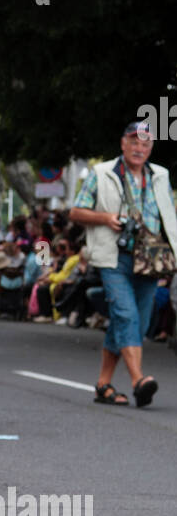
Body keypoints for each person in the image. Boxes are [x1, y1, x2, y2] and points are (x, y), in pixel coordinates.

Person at [69, 122, 177, 406]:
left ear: (150, 148)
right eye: (134, 142)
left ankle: (103, 384)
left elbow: (170, 215)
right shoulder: (101, 173)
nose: (139, 148)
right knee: (126, 314)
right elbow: (76, 211)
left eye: (145, 144)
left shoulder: (161, 175)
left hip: (151, 259)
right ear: (123, 144)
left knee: (136, 323)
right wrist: (106, 218)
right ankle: (138, 380)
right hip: (114, 257)